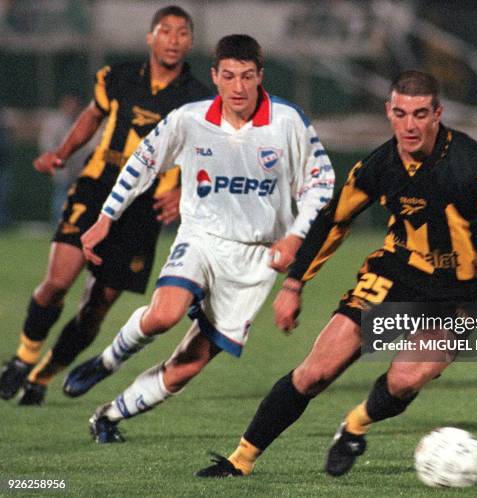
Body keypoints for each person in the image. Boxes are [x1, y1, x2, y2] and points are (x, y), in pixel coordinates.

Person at [196, 70, 477, 478]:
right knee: (314, 373)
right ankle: (240, 460)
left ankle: (355, 425)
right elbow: (333, 220)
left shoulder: (472, 168)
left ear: (438, 114)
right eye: (400, 114)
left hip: (459, 296)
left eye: (419, 114)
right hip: (394, 278)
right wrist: (294, 283)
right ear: (388, 112)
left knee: (405, 379)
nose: (409, 126)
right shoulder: (381, 164)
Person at [63, 34, 334, 444]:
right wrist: (105, 218)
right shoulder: (189, 118)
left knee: (187, 365)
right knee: (165, 314)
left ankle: (109, 415)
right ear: (215, 77)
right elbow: (142, 163)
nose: (238, 87)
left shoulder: (287, 121)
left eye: (247, 76)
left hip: (255, 259)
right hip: (202, 236)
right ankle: (108, 359)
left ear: (261, 76)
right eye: (228, 76)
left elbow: (323, 182)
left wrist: (295, 237)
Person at [0, 5, 209, 406]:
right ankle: (23, 358)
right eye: (166, 31)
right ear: (151, 37)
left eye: (182, 33)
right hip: (97, 188)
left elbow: (208, 153)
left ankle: (42, 376)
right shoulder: (118, 77)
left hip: (144, 208)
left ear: (191, 42)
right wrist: (62, 152)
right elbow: (92, 116)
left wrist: (183, 190)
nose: (174, 39)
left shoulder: (199, 99)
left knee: (96, 308)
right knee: (58, 282)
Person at [38, 95, 92, 224]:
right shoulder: (55, 123)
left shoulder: (79, 121)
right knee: (61, 195)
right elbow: (47, 143)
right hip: (62, 167)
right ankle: (58, 223)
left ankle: (72, 223)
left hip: (77, 168)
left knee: (76, 197)